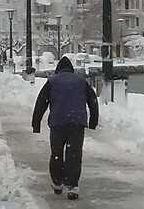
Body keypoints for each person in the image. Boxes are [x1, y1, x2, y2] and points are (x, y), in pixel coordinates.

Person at [31, 56, 99, 200]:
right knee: (74, 154)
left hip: (58, 123)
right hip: (77, 123)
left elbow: (41, 102)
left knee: (56, 153)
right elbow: (93, 101)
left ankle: (57, 182)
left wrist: (36, 123)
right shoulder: (81, 81)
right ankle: (73, 185)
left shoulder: (52, 81)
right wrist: (93, 121)